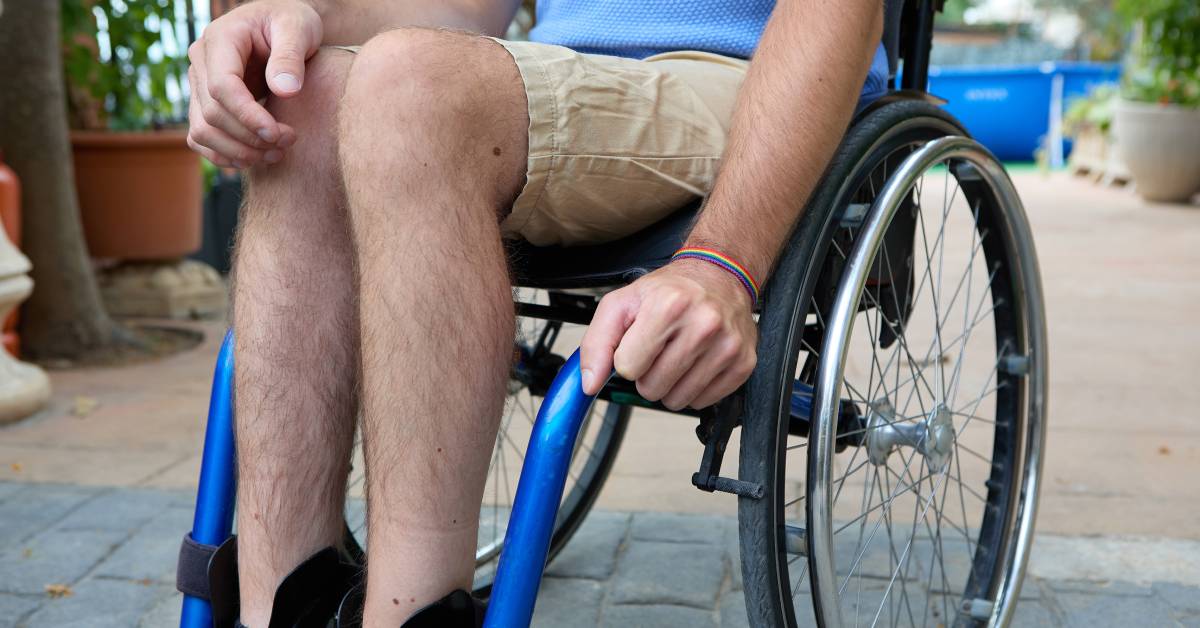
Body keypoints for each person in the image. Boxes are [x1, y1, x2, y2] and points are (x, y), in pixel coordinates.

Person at [185, 0, 887, 625]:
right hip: (555, 72)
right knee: (302, 97)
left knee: (411, 83)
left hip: (750, 75)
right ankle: (275, 607)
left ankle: (414, 612)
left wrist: (723, 261)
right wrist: (296, 17)